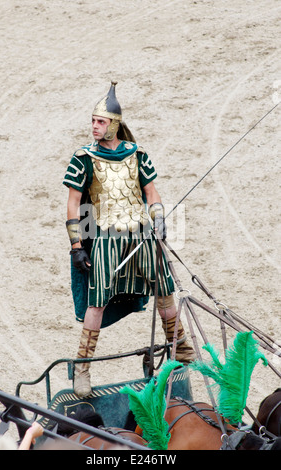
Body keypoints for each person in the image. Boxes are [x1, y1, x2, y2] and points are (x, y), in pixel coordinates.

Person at [63, 81, 195, 398]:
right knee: (97, 301)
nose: (95, 126)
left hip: (142, 233)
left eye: (101, 121)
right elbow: (73, 202)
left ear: (115, 124)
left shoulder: (137, 154)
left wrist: (159, 218)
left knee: (164, 289)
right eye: (93, 121)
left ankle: (181, 348)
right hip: (106, 237)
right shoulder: (83, 158)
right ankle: (82, 369)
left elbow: (151, 193)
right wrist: (77, 246)